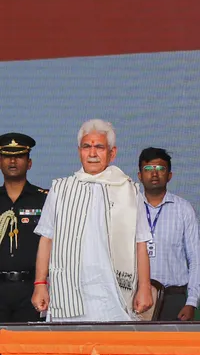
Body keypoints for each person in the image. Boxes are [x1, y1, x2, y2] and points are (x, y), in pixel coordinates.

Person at [31, 119, 153, 322]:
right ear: (79, 151)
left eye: (99, 147)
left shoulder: (129, 191)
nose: (93, 154)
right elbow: (46, 239)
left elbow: (141, 243)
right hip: (69, 294)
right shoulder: (61, 189)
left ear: (112, 153)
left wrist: (145, 287)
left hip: (114, 295)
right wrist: (40, 284)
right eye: (87, 147)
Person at [137, 147, 200, 321]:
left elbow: (196, 260)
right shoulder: (130, 207)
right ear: (139, 176)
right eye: (148, 169)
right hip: (136, 296)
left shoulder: (183, 209)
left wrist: (191, 302)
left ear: (169, 175)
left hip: (174, 299)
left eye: (160, 169)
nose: (154, 174)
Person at [0, 133, 48, 322]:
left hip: (32, 289)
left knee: (30, 346)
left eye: (19, 156)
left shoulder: (45, 199)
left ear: (29, 163)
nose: (13, 161)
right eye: (7, 156)